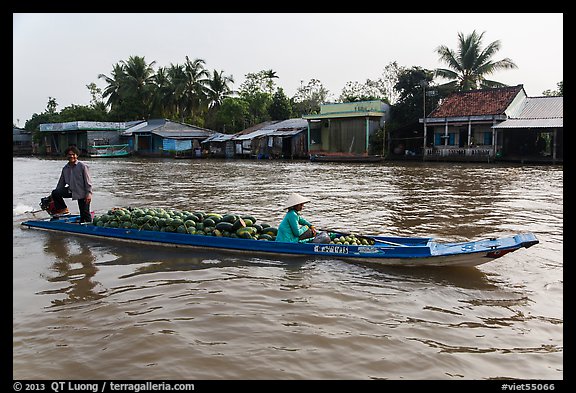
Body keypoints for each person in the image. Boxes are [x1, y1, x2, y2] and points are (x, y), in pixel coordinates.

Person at [51, 145, 93, 223]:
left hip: (83, 193)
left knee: (84, 214)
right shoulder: (65, 168)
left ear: (77, 155)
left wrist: (89, 194)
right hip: (72, 191)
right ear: (66, 156)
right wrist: (53, 196)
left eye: (73, 154)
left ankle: (90, 227)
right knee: (55, 192)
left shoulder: (82, 166)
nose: (71, 156)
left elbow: (88, 181)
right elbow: (61, 183)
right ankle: (63, 209)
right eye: (69, 155)